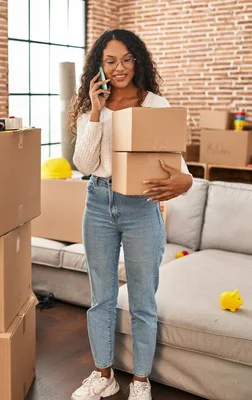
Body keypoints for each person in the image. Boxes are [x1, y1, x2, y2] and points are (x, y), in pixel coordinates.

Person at [68, 29, 193, 400]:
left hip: (141, 208)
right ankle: (103, 374)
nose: (119, 68)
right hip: (98, 203)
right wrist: (94, 111)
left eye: (126, 59)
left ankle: (140, 380)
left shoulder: (155, 105)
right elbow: (84, 164)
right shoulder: (91, 108)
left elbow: (179, 167)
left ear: (136, 60)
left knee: (142, 299)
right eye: (110, 60)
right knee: (101, 297)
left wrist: (184, 182)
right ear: (99, 66)